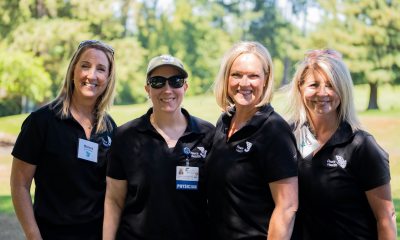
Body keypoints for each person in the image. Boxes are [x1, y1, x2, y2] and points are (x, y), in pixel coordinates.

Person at [10, 40, 117, 240]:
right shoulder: (41, 122)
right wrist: (34, 236)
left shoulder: (110, 129)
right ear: (73, 70)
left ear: (108, 78)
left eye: (101, 69)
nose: (91, 75)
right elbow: (19, 184)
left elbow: (113, 193)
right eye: (85, 65)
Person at [287, 49, 397, 239]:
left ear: (343, 89)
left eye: (331, 85)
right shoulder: (289, 136)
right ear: (300, 87)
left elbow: (386, 217)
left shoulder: (361, 145)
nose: (322, 93)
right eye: (314, 85)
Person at [103, 54, 215, 239]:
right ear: (147, 89)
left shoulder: (207, 135)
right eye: (158, 82)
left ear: (185, 87)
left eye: (175, 81)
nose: (167, 89)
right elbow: (114, 200)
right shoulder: (126, 136)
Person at [206, 41, 299, 240]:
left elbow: (287, 207)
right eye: (237, 75)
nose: (244, 83)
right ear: (226, 78)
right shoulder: (223, 123)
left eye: (253, 75)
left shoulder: (274, 130)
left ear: (265, 79)